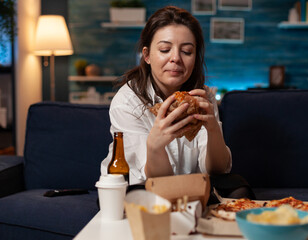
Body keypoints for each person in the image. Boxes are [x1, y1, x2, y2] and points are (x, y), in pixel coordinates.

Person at [101, 6, 254, 200]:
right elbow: (157, 179)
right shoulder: (127, 102)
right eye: (165, 49)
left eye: (187, 51)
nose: (176, 58)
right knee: (132, 197)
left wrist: (213, 129)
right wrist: (155, 145)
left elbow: (217, 170)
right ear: (147, 55)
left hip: (191, 184)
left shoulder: (202, 98)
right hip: (147, 185)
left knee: (237, 186)